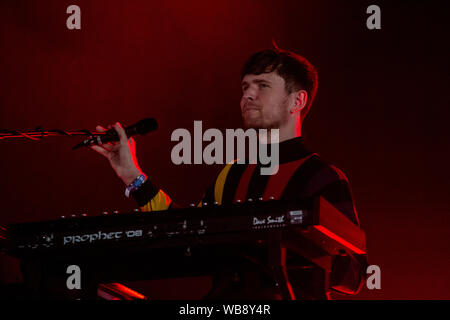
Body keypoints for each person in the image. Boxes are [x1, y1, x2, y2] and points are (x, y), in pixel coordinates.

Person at [90, 46, 368, 300]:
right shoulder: (232, 173)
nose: (248, 94)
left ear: (297, 101)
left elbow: (355, 276)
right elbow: (182, 233)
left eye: (262, 85)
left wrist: (292, 243)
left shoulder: (324, 177)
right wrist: (131, 174)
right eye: (245, 86)